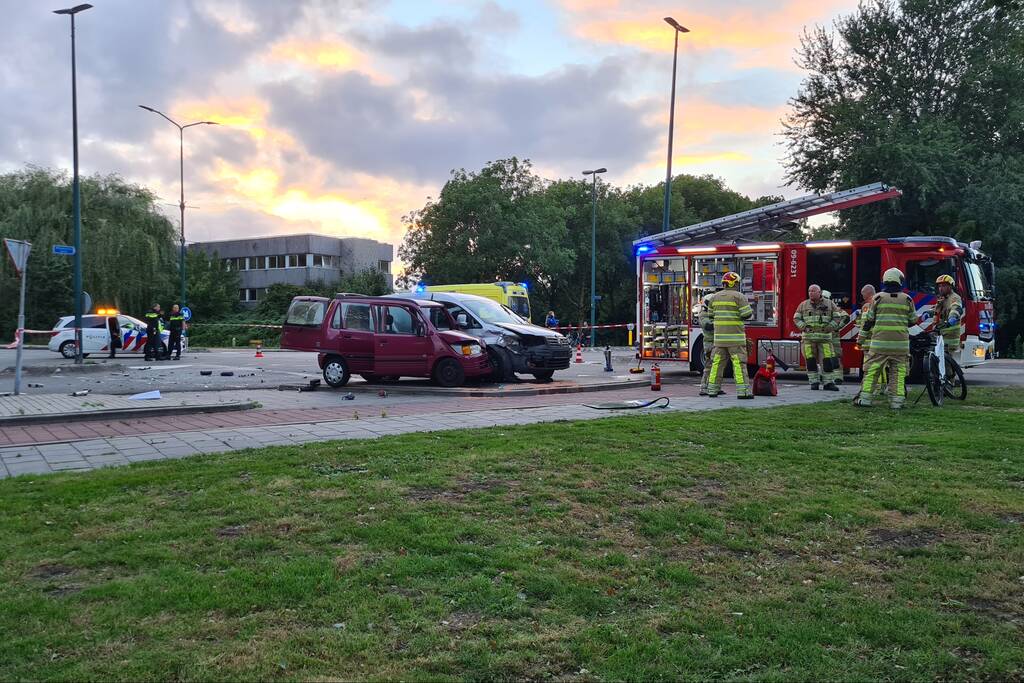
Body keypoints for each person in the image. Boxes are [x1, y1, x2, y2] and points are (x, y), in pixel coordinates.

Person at [854, 268, 918, 409]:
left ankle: (864, 400)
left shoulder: (877, 298)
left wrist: (860, 340)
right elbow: (913, 320)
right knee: (898, 374)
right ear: (899, 280)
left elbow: (868, 321)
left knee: (872, 372)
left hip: (879, 345)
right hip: (900, 346)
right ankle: (897, 402)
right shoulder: (907, 299)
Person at [706, 271, 754, 399]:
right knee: (738, 365)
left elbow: (710, 316)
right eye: (737, 283)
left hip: (719, 340)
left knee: (716, 365)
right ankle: (743, 392)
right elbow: (747, 314)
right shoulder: (739, 296)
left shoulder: (714, 297)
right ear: (734, 283)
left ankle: (712, 390)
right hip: (735, 339)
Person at [793, 284, 843, 391]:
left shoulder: (829, 304)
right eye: (809, 291)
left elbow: (837, 317)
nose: (810, 293)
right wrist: (804, 327)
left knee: (827, 362)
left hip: (825, 340)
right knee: (810, 362)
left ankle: (828, 383)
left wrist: (830, 327)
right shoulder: (803, 305)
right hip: (808, 340)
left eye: (813, 291)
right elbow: (796, 318)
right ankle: (814, 382)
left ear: (819, 292)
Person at [822, 289, 850, 384]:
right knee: (827, 358)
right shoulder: (820, 309)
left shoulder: (833, 308)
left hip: (832, 338)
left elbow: (846, 317)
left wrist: (837, 327)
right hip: (825, 338)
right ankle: (830, 377)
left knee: (835, 358)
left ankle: (838, 377)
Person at [932, 274, 963, 353]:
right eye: (939, 286)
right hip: (941, 336)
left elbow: (956, 308)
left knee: (947, 359)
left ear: (950, 286)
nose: (941, 288)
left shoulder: (954, 298)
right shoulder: (943, 298)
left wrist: (952, 317)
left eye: (944, 286)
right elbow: (938, 310)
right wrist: (929, 312)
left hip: (950, 339)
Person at [697, 291, 720, 396]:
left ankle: (715, 387)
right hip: (709, 344)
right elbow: (708, 326)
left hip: (716, 342)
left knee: (718, 366)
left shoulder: (712, 314)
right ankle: (704, 388)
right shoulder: (703, 314)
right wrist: (721, 322)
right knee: (709, 366)